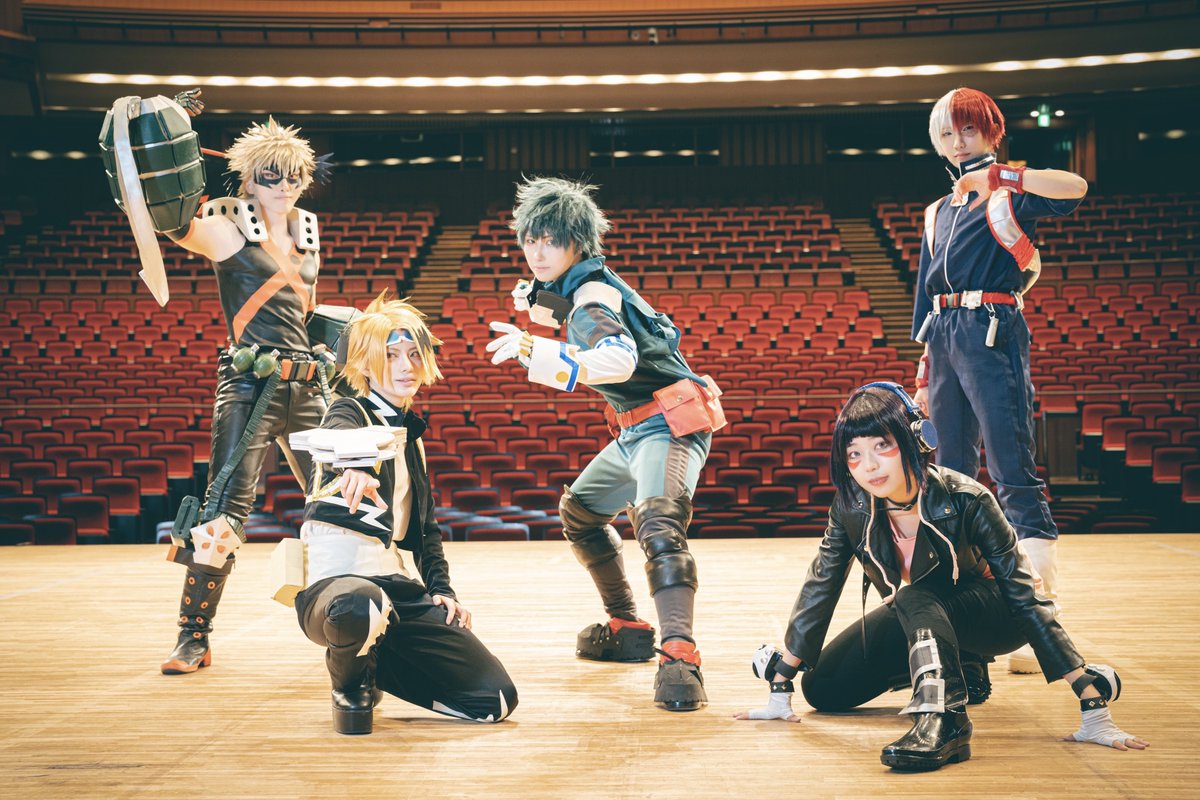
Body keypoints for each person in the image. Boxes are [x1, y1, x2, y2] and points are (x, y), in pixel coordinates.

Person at [735, 384, 1147, 771]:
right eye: (854, 453)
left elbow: (1024, 597)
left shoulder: (967, 497)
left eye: (882, 446)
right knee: (824, 689)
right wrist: (781, 685)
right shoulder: (850, 507)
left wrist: (1090, 699)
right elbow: (821, 585)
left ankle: (945, 719)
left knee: (914, 596)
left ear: (916, 439)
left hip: (996, 612)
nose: (869, 465)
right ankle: (959, 666)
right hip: (928, 611)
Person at [101, 97, 333, 675]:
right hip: (250, 387)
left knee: (340, 500)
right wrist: (166, 132)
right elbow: (170, 221)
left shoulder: (309, 232)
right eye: (270, 175)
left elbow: (305, 312)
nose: (283, 185)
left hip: (307, 385)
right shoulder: (227, 229)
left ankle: (353, 618)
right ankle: (193, 636)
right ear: (249, 179)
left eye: (293, 175)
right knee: (222, 514)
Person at [485, 176, 725, 711]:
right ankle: (626, 626)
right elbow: (563, 311)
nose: (537, 252)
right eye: (529, 240)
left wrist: (534, 350)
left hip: (668, 422)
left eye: (550, 240)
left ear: (577, 242)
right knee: (581, 513)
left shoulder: (593, 296)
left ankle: (680, 655)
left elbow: (617, 359)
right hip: (635, 426)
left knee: (658, 524)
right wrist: (535, 306)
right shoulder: (583, 287)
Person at [910, 87, 1089, 674]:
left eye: (967, 129)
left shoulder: (1009, 192)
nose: (957, 142)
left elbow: (1075, 188)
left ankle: (1037, 621)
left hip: (992, 325)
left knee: (1012, 469)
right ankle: (968, 615)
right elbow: (927, 296)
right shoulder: (937, 211)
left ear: (991, 131)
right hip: (943, 337)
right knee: (949, 476)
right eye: (946, 132)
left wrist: (1004, 176)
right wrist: (923, 371)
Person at [291, 293, 517, 734]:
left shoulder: (411, 439)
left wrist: (442, 590)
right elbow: (336, 433)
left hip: (395, 587)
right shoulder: (349, 410)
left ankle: (370, 662)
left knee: (494, 700)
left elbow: (427, 530)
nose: (406, 365)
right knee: (360, 604)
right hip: (334, 587)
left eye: (414, 354)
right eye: (391, 355)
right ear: (366, 363)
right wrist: (355, 463)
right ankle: (349, 683)